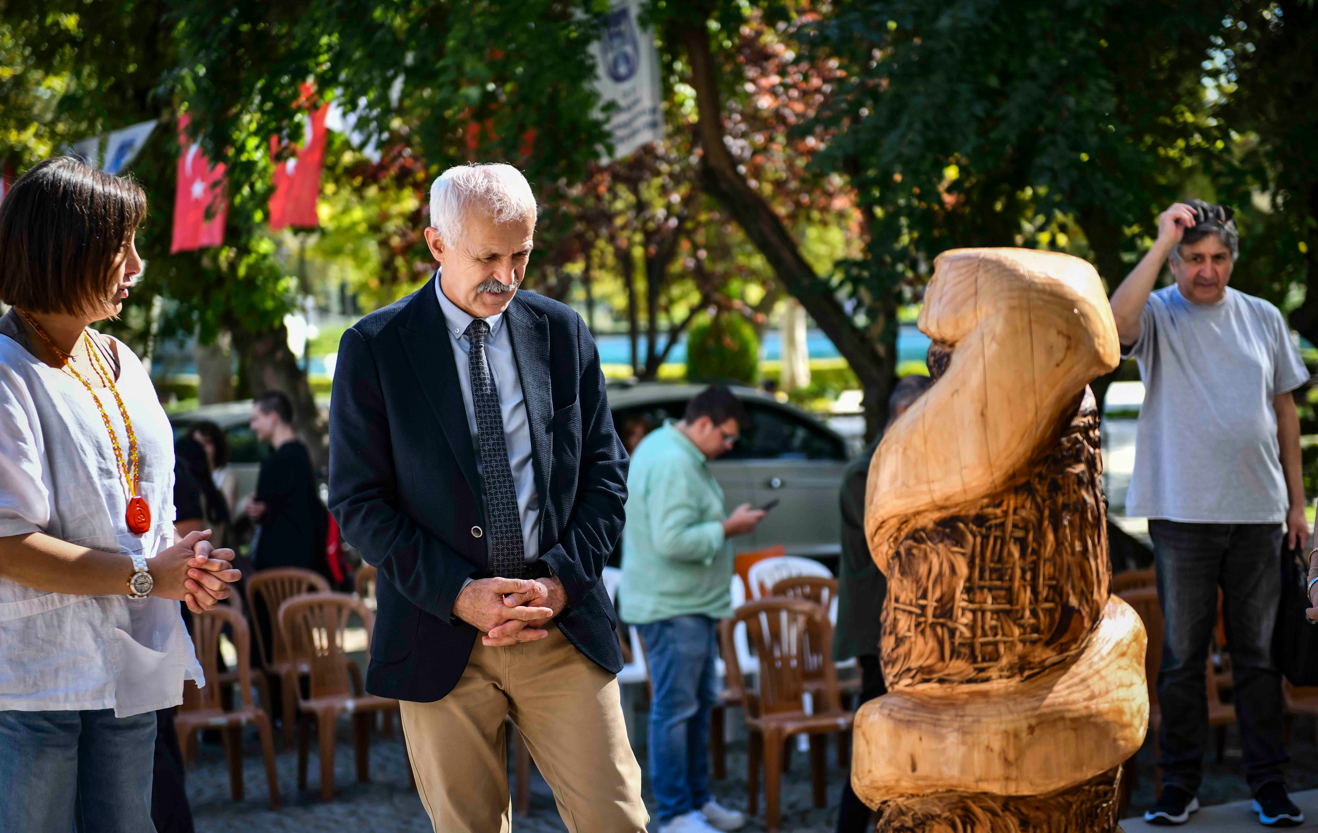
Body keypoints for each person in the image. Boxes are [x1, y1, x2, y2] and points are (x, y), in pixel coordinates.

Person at [328, 163, 648, 832]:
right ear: (436, 244)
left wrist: (562, 582)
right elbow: (359, 503)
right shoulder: (375, 347)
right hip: (439, 630)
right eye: (487, 256)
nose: (505, 274)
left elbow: (605, 473)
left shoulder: (562, 333)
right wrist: (459, 593)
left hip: (559, 624)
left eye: (521, 254)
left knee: (617, 820)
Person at [0, 157, 240, 831]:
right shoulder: (6, 371)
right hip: (32, 685)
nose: (136, 266)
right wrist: (145, 575)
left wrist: (181, 566)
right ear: (66, 251)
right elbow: (8, 543)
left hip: (126, 673)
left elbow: (146, 507)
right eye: (121, 247)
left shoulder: (120, 361)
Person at [1109, 199, 1308, 827]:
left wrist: (1298, 506)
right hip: (1181, 513)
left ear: (1232, 261)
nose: (1208, 270)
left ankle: (1268, 786)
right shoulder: (1160, 314)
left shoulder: (1263, 317)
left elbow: (1284, 413)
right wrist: (1161, 235)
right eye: (1194, 258)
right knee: (1182, 659)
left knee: (1257, 657)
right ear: (1175, 263)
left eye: (1218, 258)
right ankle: (1178, 786)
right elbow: (1114, 327)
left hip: (1259, 512)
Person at [619, 385, 768, 833]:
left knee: (696, 707)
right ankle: (675, 812)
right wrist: (728, 527)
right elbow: (673, 540)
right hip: (673, 607)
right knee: (677, 710)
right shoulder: (674, 461)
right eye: (726, 436)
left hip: (685, 604)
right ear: (703, 423)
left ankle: (696, 802)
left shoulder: (669, 448)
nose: (728, 446)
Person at [832, 374, 931, 833]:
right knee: (875, 741)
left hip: (910, 626)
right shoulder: (864, 472)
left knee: (907, 740)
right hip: (878, 629)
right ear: (903, 415)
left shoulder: (908, 460)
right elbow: (894, 547)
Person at [246, 390, 328, 575]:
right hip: (305, 563)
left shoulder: (276, 461)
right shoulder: (301, 453)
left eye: (256, 419)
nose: (252, 426)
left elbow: (272, 508)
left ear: (273, 417)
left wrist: (258, 509)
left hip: (279, 566)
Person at [189, 420, 241, 522]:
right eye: (197, 444)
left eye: (207, 443)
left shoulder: (226, 475)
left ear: (217, 446)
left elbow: (226, 512)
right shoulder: (186, 473)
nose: (201, 449)